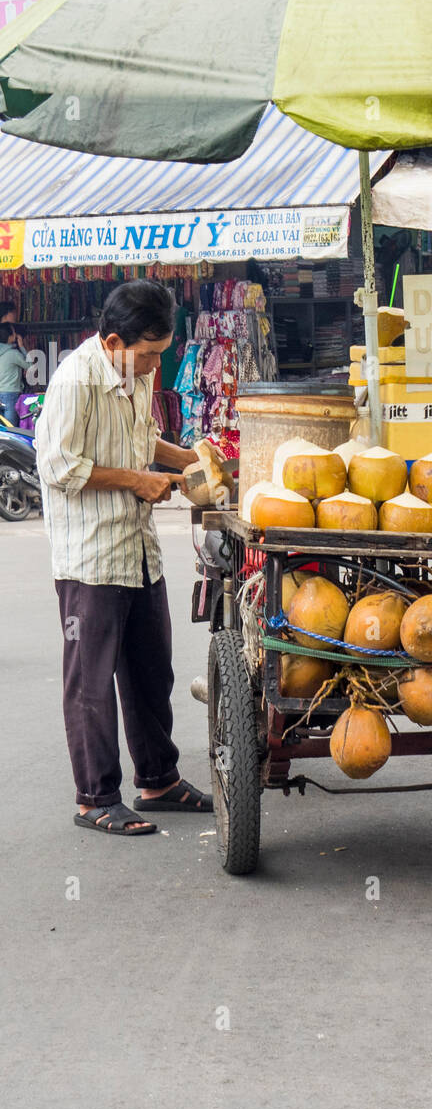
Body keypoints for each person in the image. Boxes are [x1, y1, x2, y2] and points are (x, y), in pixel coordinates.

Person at [35, 280, 214, 836]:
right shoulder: (75, 381)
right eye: (149, 354)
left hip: (137, 552)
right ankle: (95, 797)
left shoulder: (135, 371)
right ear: (114, 341)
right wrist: (138, 481)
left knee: (150, 671)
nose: (155, 364)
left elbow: (143, 434)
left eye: (162, 354)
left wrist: (187, 460)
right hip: (90, 557)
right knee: (91, 681)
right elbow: (59, 466)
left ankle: (158, 779)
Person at [0, 322, 29, 425]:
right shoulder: (13, 354)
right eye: (14, 332)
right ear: (10, 337)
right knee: (10, 428)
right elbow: (29, 365)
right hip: (10, 393)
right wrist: (21, 347)